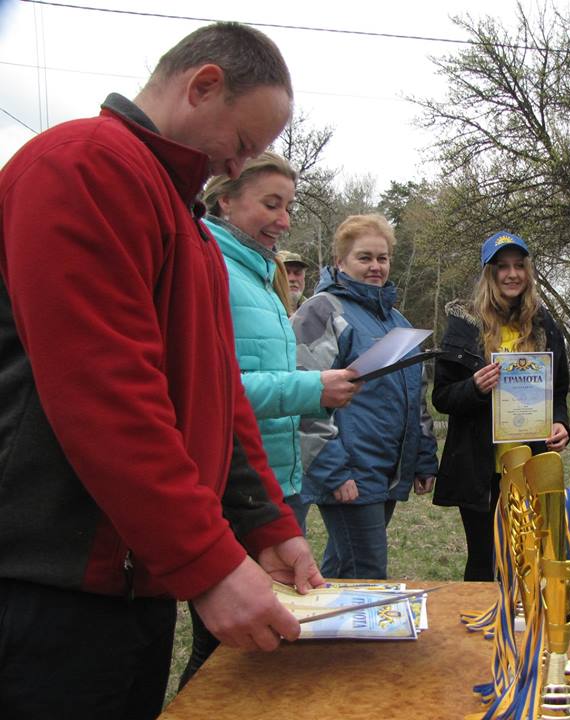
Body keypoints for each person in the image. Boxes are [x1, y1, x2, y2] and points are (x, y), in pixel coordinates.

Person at [0, 23, 323, 719]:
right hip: (48, 587)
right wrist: (206, 560)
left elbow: (216, 402)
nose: (237, 169)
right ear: (203, 85)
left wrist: (268, 524)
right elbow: (104, 391)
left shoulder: (185, 222)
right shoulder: (84, 166)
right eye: (240, 146)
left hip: (135, 585)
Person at [176, 152, 360, 688]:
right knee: (226, 651)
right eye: (270, 204)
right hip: (229, 485)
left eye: (289, 207)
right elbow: (212, 390)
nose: (283, 219)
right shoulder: (211, 268)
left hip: (274, 482)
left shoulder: (260, 277)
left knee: (261, 643)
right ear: (224, 200)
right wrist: (313, 390)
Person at [291, 214, 438, 579]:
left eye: (383, 258)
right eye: (365, 257)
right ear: (340, 262)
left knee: (345, 568)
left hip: (386, 472)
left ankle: (322, 634)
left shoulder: (398, 321)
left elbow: (415, 395)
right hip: (349, 472)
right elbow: (303, 397)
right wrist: (333, 471)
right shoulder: (323, 310)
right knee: (368, 575)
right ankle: (357, 639)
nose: (376, 267)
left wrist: (423, 458)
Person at [432, 231, 570, 581]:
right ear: (488, 274)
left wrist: (560, 423)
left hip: (528, 463)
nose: (512, 274)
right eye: (502, 267)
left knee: (524, 557)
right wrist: (475, 387)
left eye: (519, 266)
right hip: (480, 467)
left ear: (528, 271)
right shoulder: (465, 325)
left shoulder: (543, 323)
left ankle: (517, 629)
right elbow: (443, 397)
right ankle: (479, 631)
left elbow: (559, 390)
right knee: (483, 560)